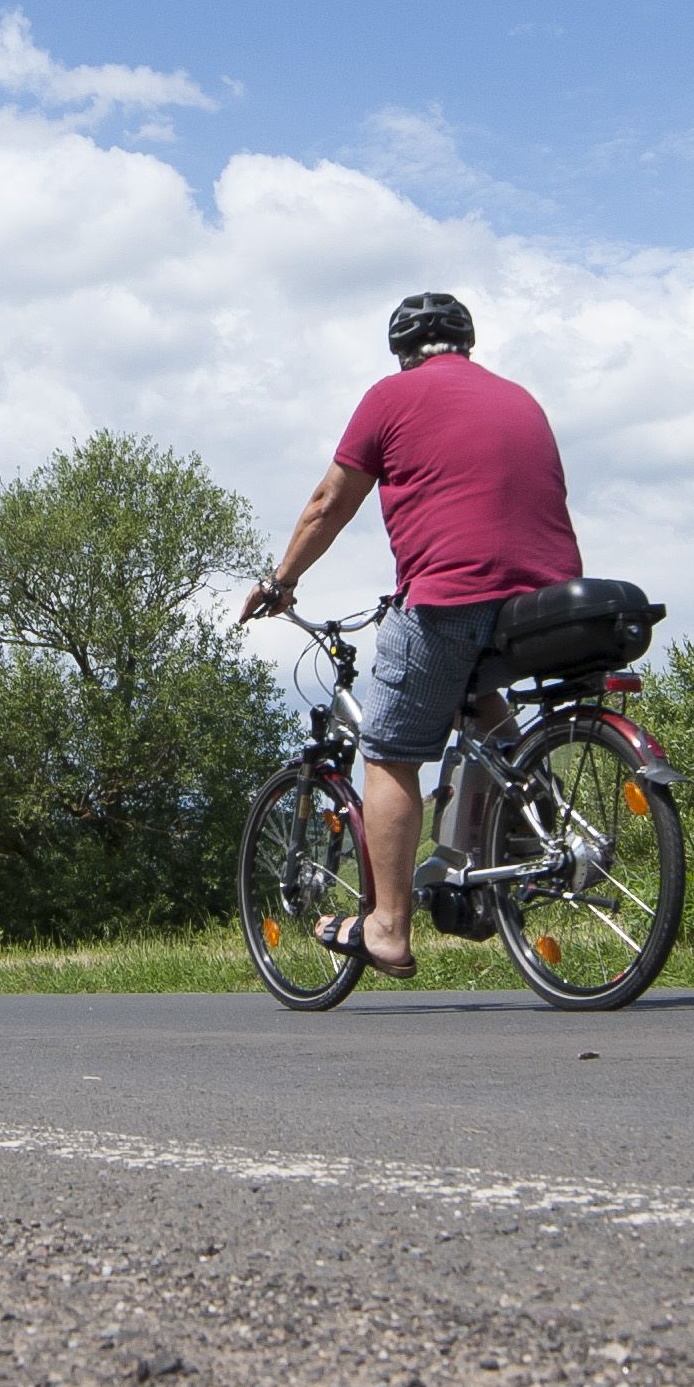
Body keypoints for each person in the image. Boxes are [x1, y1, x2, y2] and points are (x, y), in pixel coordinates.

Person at [239, 291, 581, 979]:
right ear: (466, 344)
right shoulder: (519, 396)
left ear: (401, 351)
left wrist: (282, 580)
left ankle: (387, 926)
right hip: (545, 600)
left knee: (391, 751)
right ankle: (525, 806)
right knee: (473, 695)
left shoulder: (390, 397)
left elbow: (329, 503)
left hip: (453, 593)